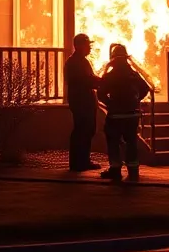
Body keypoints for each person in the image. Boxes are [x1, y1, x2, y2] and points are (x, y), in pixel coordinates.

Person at [98, 43, 151, 182]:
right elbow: (145, 88)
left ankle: (115, 169)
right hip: (132, 114)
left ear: (113, 59)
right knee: (131, 141)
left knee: (113, 140)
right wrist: (135, 100)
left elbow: (101, 93)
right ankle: (133, 170)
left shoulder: (111, 75)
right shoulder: (133, 74)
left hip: (115, 115)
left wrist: (110, 103)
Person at [64, 33, 101, 172]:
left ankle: (82, 160)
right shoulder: (75, 62)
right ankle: (79, 162)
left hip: (84, 101)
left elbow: (88, 78)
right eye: (87, 45)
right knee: (82, 130)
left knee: (86, 130)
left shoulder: (81, 61)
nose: (90, 48)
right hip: (81, 102)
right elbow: (84, 80)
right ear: (79, 46)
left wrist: (99, 81)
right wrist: (100, 82)